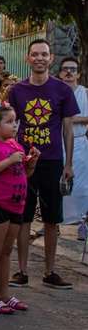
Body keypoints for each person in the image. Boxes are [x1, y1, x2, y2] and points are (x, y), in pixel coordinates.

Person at [7, 39, 78, 289]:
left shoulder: (62, 91)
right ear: (28, 58)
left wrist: (68, 164)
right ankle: (22, 271)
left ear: (50, 59)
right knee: (23, 217)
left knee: (52, 219)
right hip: (24, 163)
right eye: (35, 54)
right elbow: (9, 127)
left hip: (53, 161)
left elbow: (68, 130)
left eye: (44, 54)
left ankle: (50, 272)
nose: (39, 58)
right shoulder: (16, 91)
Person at [0, 102, 39, 314]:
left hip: (16, 203)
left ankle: (4, 294)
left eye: (16, 121)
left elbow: (24, 174)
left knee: (6, 251)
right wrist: (9, 160)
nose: (14, 126)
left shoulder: (15, 145)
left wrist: (31, 164)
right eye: (9, 122)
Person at [58, 57, 88, 226]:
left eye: (73, 69)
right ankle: (60, 221)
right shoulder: (56, 92)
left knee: (82, 185)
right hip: (59, 143)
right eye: (65, 69)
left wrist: (70, 119)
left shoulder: (85, 92)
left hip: (80, 142)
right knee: (59, 183)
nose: (69, 72)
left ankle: (81, 220)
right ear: (61, 73)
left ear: (78, 73)